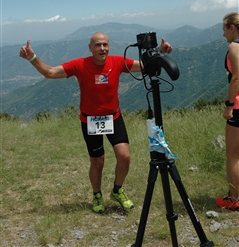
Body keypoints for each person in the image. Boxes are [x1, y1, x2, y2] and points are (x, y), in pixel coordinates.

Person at [19, 32, 172, 213]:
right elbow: (50, 72)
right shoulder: (80, 65)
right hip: (90, 120)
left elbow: (145, 66)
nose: (102, 48)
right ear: (90, 48)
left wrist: (160, 52)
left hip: (114, 117)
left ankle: (117, 190)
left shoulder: (117, 61)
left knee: (125, 157)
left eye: (105, 45)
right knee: (97, 162)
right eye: (98, 45)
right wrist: (32, 58)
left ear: (109, 46)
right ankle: (97, 194)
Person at [215, 12, 239, 210]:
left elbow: (236, 78)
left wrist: (229, 105)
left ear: (232, 28)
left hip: (238, 107)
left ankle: (234, 199)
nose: (223, 34)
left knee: (233, 154)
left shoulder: (234, 47)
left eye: (224, 29)